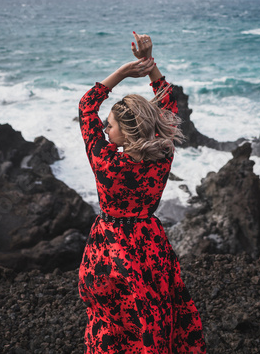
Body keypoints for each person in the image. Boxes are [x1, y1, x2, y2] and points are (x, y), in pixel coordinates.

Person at [78, 32, 206, 353]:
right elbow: (168, 102)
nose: (106, 130)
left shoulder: (106, 162)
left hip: (110, 248)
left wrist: (122, 72)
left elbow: (86, 107)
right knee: (152, 315)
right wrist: (150, 66)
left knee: (110, 321)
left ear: (127, 131)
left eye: (111, 125)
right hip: (149, 242)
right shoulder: (163, 157)